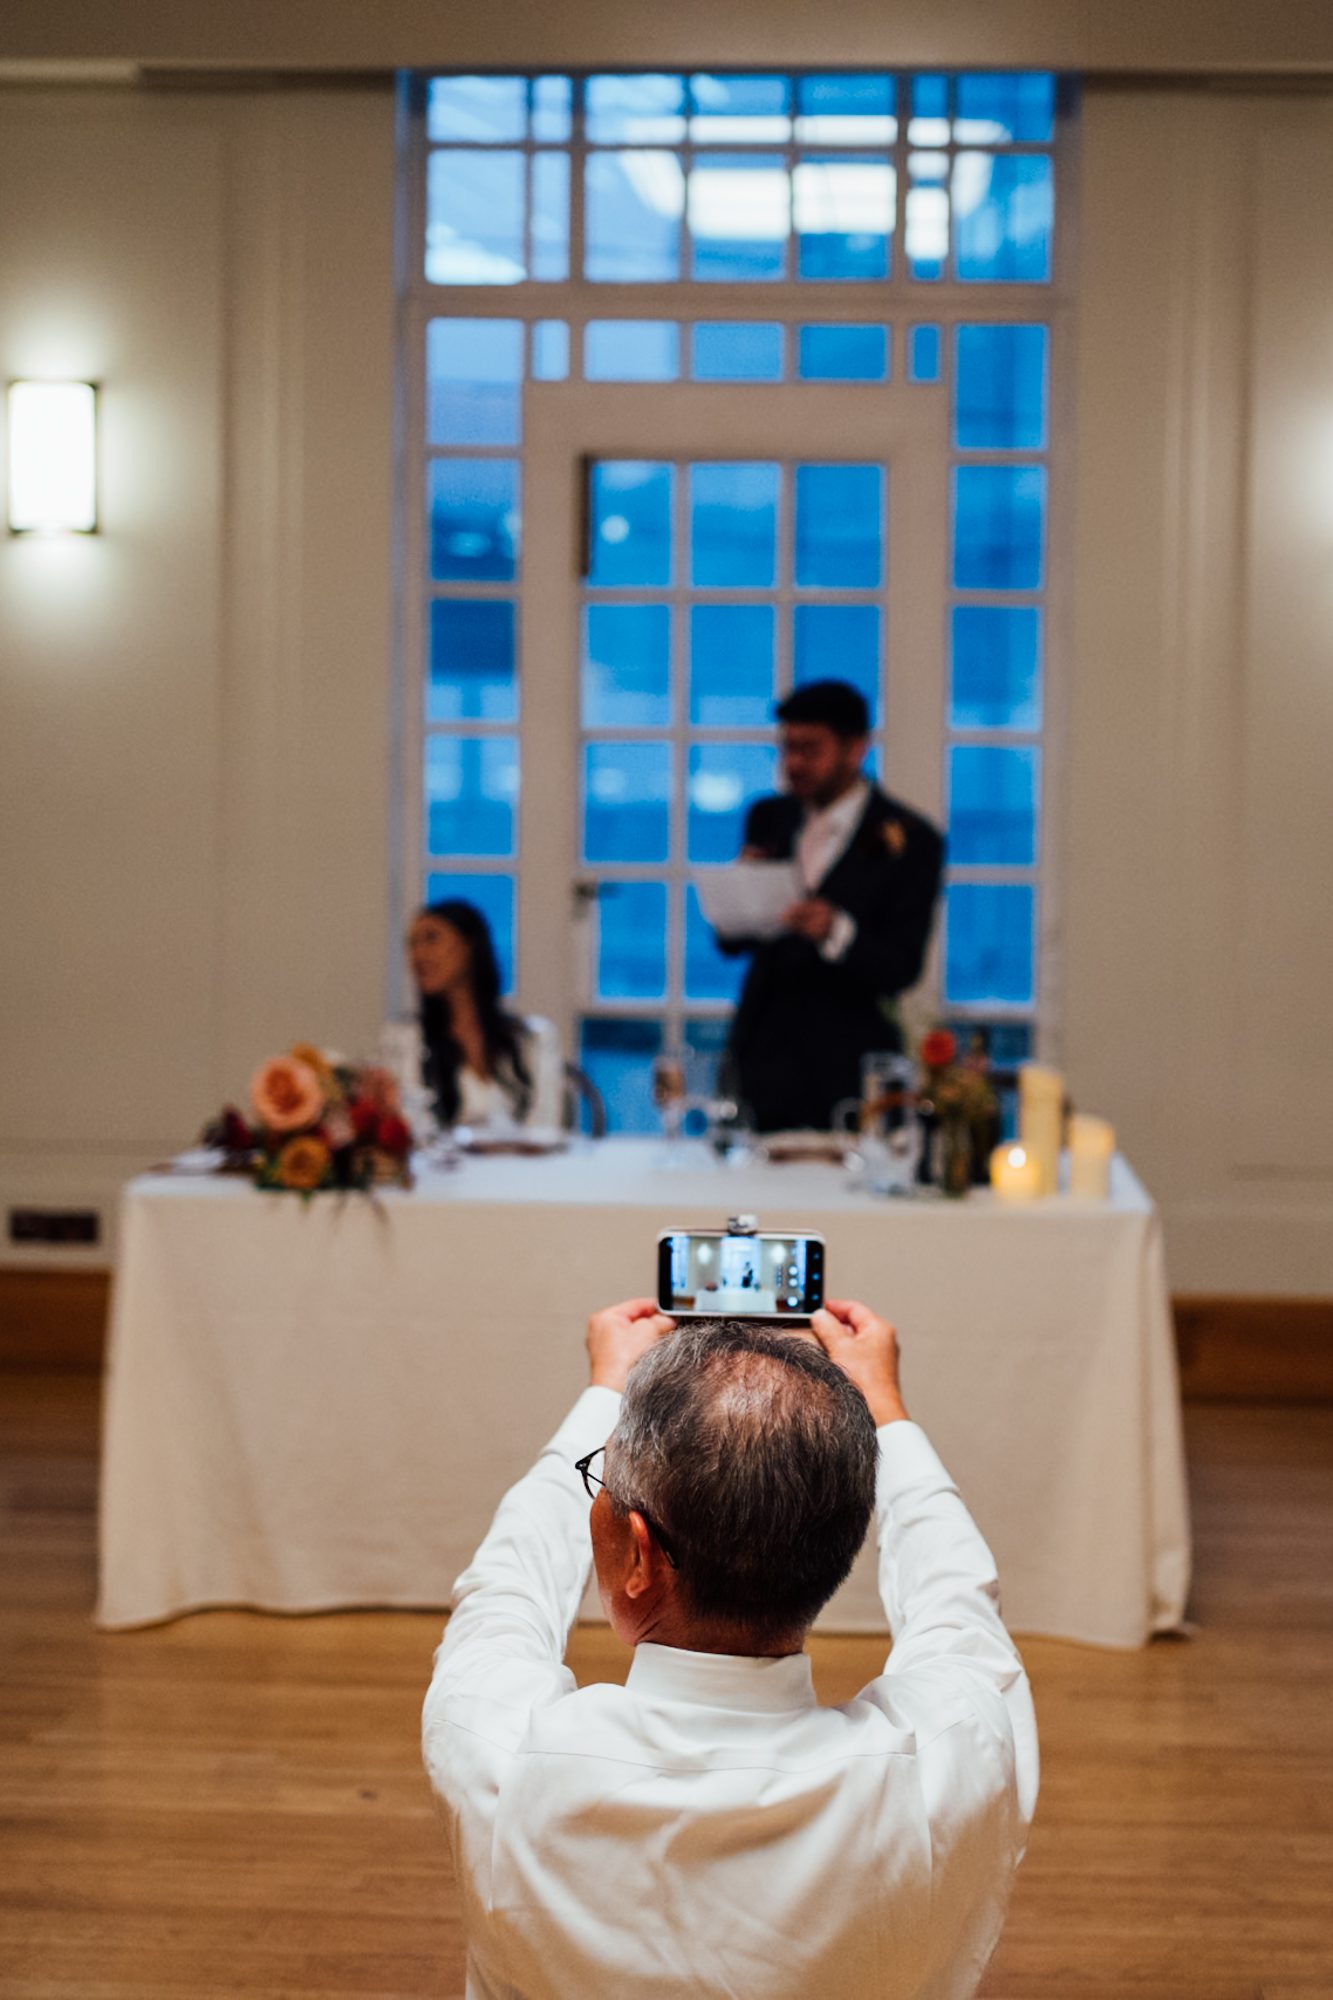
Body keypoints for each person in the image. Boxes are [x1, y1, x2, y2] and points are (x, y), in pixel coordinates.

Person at [422, 1297, 1038, 2000]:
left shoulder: (502, 1748)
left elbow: (509, 1581)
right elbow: (956, 1600)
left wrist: (604, 1386)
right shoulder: (948, 1764)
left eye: (600, 1477)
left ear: (639, 1555)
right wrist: (885, 1407)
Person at [717, 679, 944, 1131]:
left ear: (855, 749)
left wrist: (835, 930)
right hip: (762, 1051)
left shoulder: (911, 838)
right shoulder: (769, 817)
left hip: (849, 1059)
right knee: (751, 1175)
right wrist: (743, 894)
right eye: (787, 748)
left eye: (810, 749)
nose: (794, 763)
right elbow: (730, 943)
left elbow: (902, 967)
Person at [406, 899, 563, 1129]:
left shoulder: (532, 1038)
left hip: (520, 1153)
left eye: (431, 938)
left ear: (469, 945)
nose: (418, 955)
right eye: (412, 944)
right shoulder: (409, 1040)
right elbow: (412, 1125)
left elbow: (546, 1126)